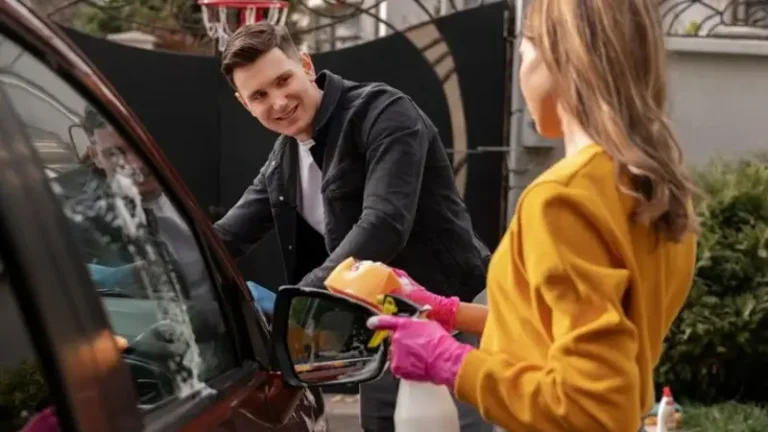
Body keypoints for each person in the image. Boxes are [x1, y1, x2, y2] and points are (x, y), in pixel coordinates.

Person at [368, 1, 698, 431]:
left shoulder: (562, 200)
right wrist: (448, 313)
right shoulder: (650, 188)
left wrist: (448, 362)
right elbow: (558, 338)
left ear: (556, 57)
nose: (520, 73)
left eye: (524, 52)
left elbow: (594, 407)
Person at [213, 22, 492, 432]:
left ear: (305, 64)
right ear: (245, 104)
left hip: (456, 316)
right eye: (259, 95)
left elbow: (384, 224)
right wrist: (146, 270)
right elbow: (226, 238)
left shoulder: (383, 111)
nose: (278, 101)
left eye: (283, 79)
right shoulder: (282, 162)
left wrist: (302, 301)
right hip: (379, 330)